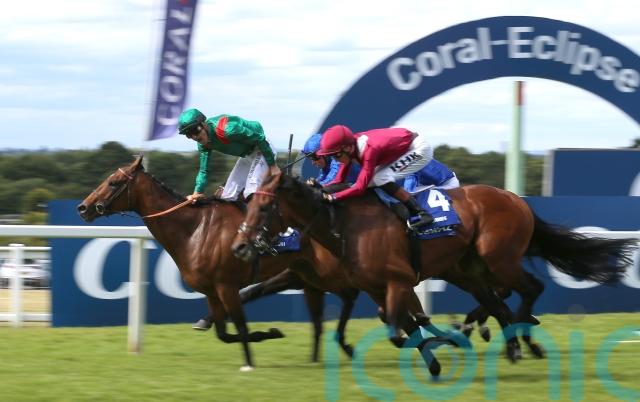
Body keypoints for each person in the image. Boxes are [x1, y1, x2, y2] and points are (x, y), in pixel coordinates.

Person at [317, 125, 434, 229]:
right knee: (372, 180)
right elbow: (339, 180)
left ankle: (421, 213)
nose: (335, 160)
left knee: (380, 178)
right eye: (331, 156)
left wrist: (333, 197)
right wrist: (321, 188)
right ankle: (397, 209)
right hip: (403, 146)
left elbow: (360, 188)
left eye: (336, 155)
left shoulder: (369, 150)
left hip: (419, 149)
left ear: (347, 148)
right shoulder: (351, 146)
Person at [177, 108, 281, 203]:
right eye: (189, 134)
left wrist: (272, 166)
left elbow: (260, 138)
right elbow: (204, 170)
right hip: (247, 156)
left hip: (263, 148)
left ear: (204, 124)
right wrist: (197, 193)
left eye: (195, 130)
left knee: (250, 192)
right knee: (227, 197)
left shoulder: (227, 130)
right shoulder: (203, 144)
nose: (194, 137)